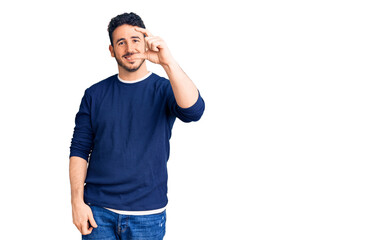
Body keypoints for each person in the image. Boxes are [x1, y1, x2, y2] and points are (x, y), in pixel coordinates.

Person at [68, 12, 205, 240]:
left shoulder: (165, 89)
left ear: (145, 43)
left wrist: (167, 62)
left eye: (135, 40)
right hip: (97, 212)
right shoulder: (94, 94)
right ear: (112, 51)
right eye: (121, 42)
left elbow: (194, 111)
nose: (129, 48)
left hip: (147, 215)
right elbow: (79, 149)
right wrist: (76, 202)